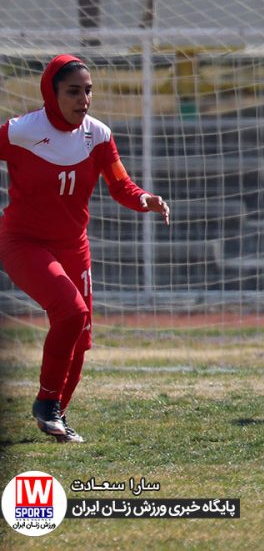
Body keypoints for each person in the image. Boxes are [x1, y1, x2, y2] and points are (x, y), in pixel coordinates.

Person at [0, 54, 170, 443]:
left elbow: (121, 184)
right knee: (70, 311)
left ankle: (54, 415)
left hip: (74, 247)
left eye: (88, 91)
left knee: (79, 338)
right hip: (23, 243)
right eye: (73, 91)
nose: (84, 99)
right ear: (51, 93)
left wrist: (145, 199)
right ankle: (46, 403)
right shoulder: (21, 131)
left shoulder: (99, 135)